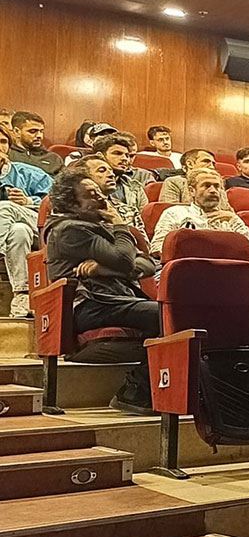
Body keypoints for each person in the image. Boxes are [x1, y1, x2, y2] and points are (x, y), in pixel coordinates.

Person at [42, 166, 160, 414]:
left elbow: (148, 264)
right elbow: (128, 261)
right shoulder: (70, 229)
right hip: (89, 306)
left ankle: (147, 389)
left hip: (113, 301)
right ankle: (135, 391)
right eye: (90, 194)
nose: (101, 196)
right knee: (166, 315)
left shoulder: (98, 227)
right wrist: (119, 226)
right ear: (71, 204)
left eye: (99, 191)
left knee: (171, 314)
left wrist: (104, 269)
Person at [149, 169, 249, 264]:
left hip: (229, 271)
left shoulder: (230, 219)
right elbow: (158, 247)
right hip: (188, 270)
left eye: (217, 187)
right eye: (206, 186)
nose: (213, 191)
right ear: (192, 191)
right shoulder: (175, 213)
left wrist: (233, 218)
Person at [0, 128, 50, 316]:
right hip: (20, 231)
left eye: (3, 142)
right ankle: (21, 294)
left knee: (4, 208)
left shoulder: (28, 172)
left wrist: (29, 201)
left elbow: (58, 200)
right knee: (18, 231)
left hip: (35, 223)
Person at [94, 132, 148, 232]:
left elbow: (142, 224)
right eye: (117, 153)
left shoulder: (135, 187)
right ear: (100, 156)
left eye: (127, 155)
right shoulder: (84, 186)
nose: (125, 159)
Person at [156, 148, 227, 208]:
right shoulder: (173, 182)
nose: (212, 167)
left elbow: (227, 211)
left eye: (213, 164)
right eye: (206, 161)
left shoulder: (218, 185)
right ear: (189, 164)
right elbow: (169, 210)